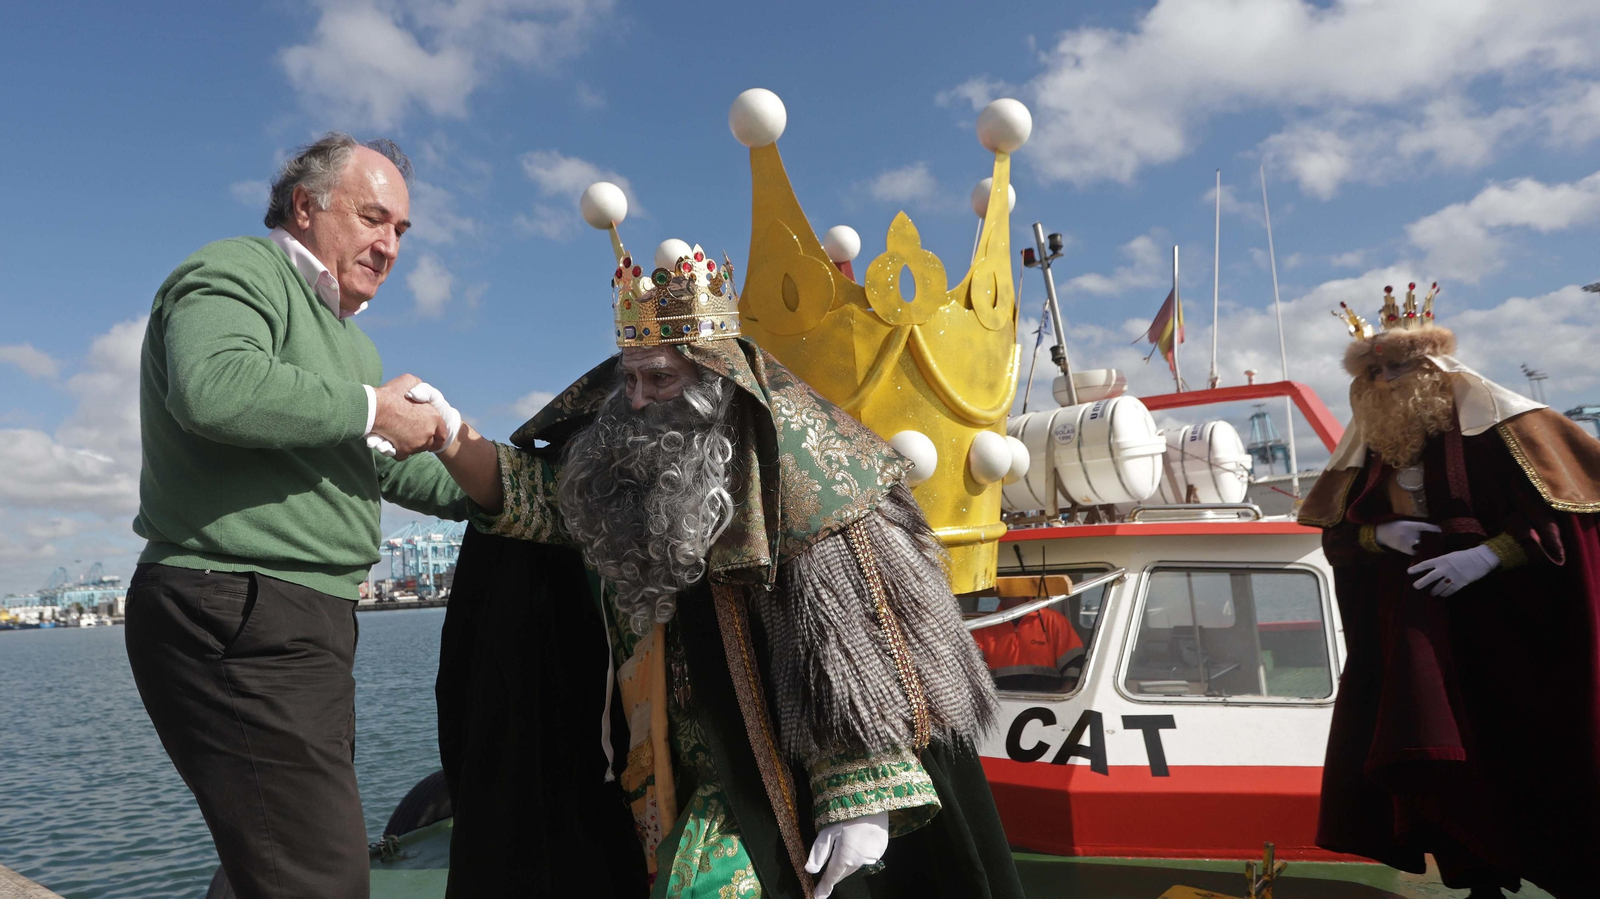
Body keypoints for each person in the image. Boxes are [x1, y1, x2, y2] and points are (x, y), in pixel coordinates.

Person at [430, 233, 1024, 898]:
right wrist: (447, 435)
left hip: (763, 768)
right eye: (630, 378)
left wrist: (860, 793)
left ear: (716, 379)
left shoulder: (805, 477)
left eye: (661, 378)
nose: (638, 398)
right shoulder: (628, 461)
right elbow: (540, 501)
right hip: (657, 761)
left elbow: (852, 646)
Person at [126, 133, 469, 899]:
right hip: (236, 605)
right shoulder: (236, 270)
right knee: (320, 876)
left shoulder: (352, 345)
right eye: (373, 218)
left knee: (275, 851)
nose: (390, 246)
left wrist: (504, 483)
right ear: (306, 206)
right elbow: (213, 385)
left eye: (401, 231)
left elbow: (379, 463)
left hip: (305, 621)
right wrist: (372, 408)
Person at [1300, 284, 1600, 899]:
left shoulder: (1506, 428)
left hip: (1507, 628)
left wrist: (1490, 554)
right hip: (1416, 630)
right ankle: (1475, 879)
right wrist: (1379, 534)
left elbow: (1568, 521)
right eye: (1373, 372)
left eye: (1398, 367)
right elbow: (1339, 538)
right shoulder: (1371, 450)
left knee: (1515, 744)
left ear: (1435, 366)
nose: (1386, 382)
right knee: (1434, 749)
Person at [971, 599, 1085, 693]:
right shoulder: (984, 627)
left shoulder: (1054, 621)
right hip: (1001, 701)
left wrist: (1064, 693)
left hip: (1047, 702)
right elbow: (971, 670)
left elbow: (1075, 663)